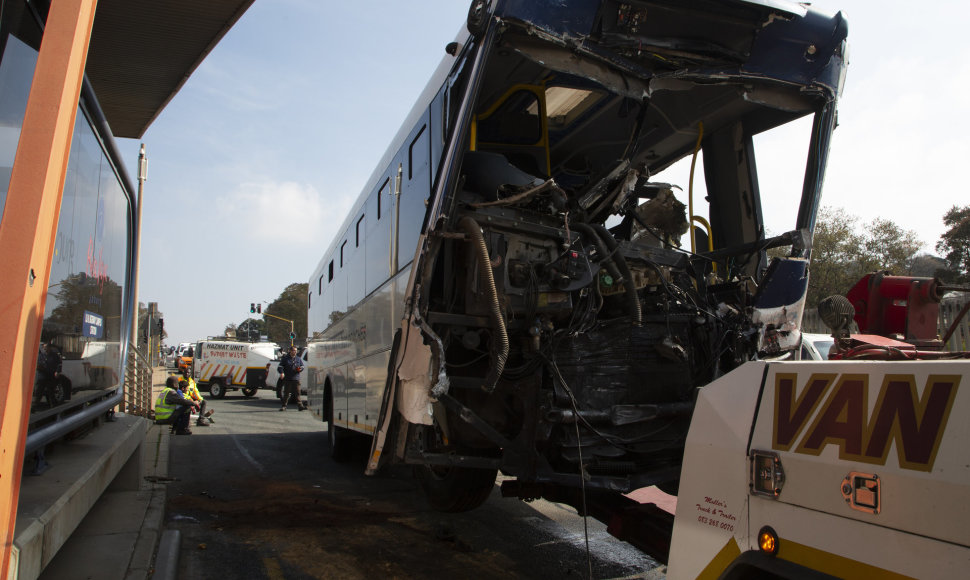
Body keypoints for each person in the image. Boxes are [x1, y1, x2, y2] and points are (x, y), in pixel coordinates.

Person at [277, 345, 306, 411]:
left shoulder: (298, 358)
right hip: (288, 378)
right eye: (293, 350)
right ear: (290, 351)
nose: (295, 352)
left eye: (296, 351)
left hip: (296, 378)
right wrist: (282, 373)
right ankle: (284, 406)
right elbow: (280, 367)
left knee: (297, 392)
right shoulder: (285, 359)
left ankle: (300, 406)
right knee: (286, 393)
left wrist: (300, 369)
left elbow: (302, 366)